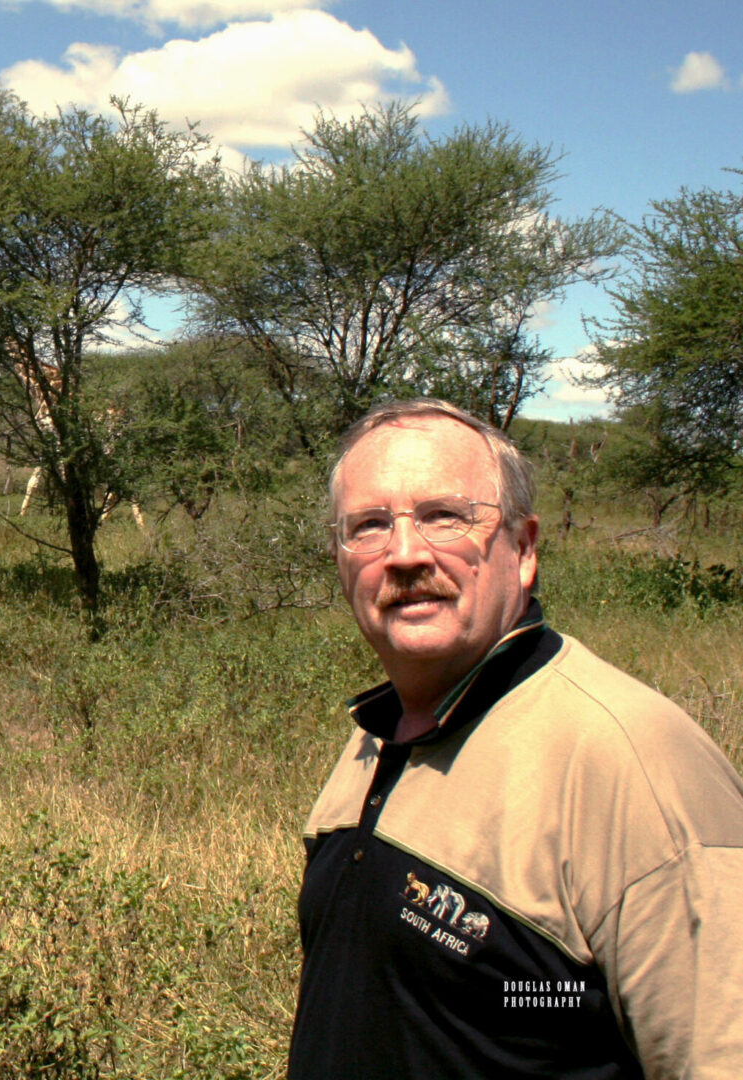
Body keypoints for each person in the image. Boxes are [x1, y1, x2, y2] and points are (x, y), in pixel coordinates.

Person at [287, 399, 743, 1079]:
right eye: (370, 526)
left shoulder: (632, 759)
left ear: (524, 550)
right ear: (340, 559)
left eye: (445, 517)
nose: (406, 554)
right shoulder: (376, 734)